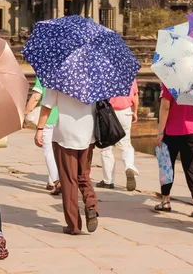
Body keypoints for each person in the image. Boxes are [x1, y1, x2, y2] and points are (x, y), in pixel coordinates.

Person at [35, 89, 99, 235]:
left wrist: (40, 128)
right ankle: (91, 205)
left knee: (69, 180)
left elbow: (47, 106)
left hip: (65, 134)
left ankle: (74, 225)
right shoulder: (94, 74)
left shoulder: (58, 77)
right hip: (88, 133)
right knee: (84, 175)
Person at [155, 83, 193, 217]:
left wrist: (160, 132)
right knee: (192, 165)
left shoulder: (169, 84)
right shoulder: (192, 84)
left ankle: (165, 200)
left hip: (172, 131)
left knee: (167, 166)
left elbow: (165, 108)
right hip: (192, 130)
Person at [97, 79, 140, 191]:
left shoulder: (104, 72)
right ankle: (129, 166)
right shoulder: (128, 74)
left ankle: (108, 181)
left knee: (106, 147)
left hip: (109, 112)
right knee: (126, 144)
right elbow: (135, 96)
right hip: (126, 111)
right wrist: (134, 112)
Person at [24, 77, 60, 194]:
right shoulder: (68, 72)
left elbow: (36, 97)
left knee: (48, 150)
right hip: (65, 119)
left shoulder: (45, 74)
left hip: (48, 118)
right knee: (60, 151)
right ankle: (52, 179)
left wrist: (24, 113)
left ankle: (55, 180)